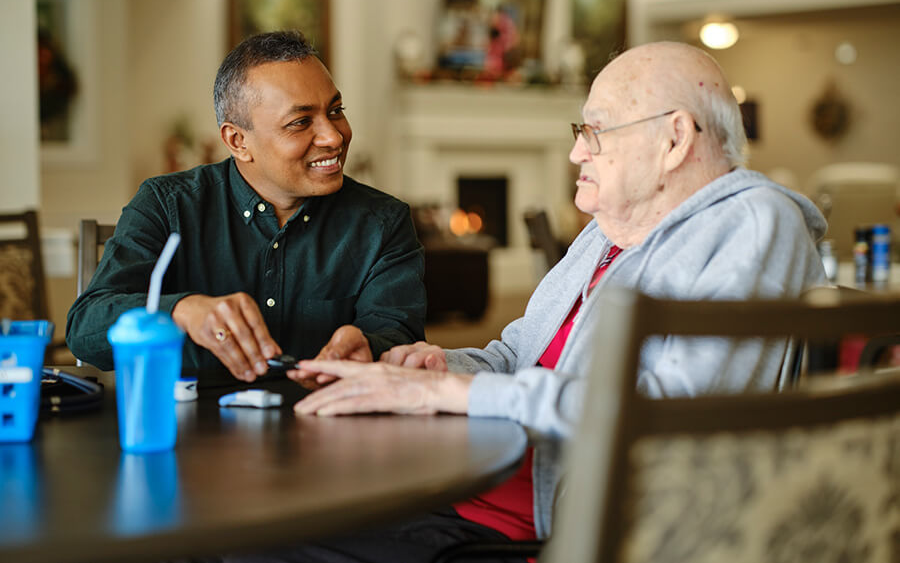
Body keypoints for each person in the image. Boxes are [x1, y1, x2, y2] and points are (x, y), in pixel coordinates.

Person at [199, 41, 828, 563]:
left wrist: (449, 397)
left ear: (674, 140)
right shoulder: (607, 233)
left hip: (552, 536)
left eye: (595, 131)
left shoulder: (752, 220)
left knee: (246, 546)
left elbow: (668, 412)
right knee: (241, 515)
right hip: (479, 490)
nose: (578, 151)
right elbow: (516, 355)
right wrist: (436, 369)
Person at [66, 31, 426, 384]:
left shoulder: (384, 222)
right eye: (300, 122)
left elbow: (399, 339)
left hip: (328, 427)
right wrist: (180, 311)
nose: (333, 137)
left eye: (335, 111)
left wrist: (370, 350)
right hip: (186, 433)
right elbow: (86, 328)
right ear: (238, 141)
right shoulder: (166, 203)